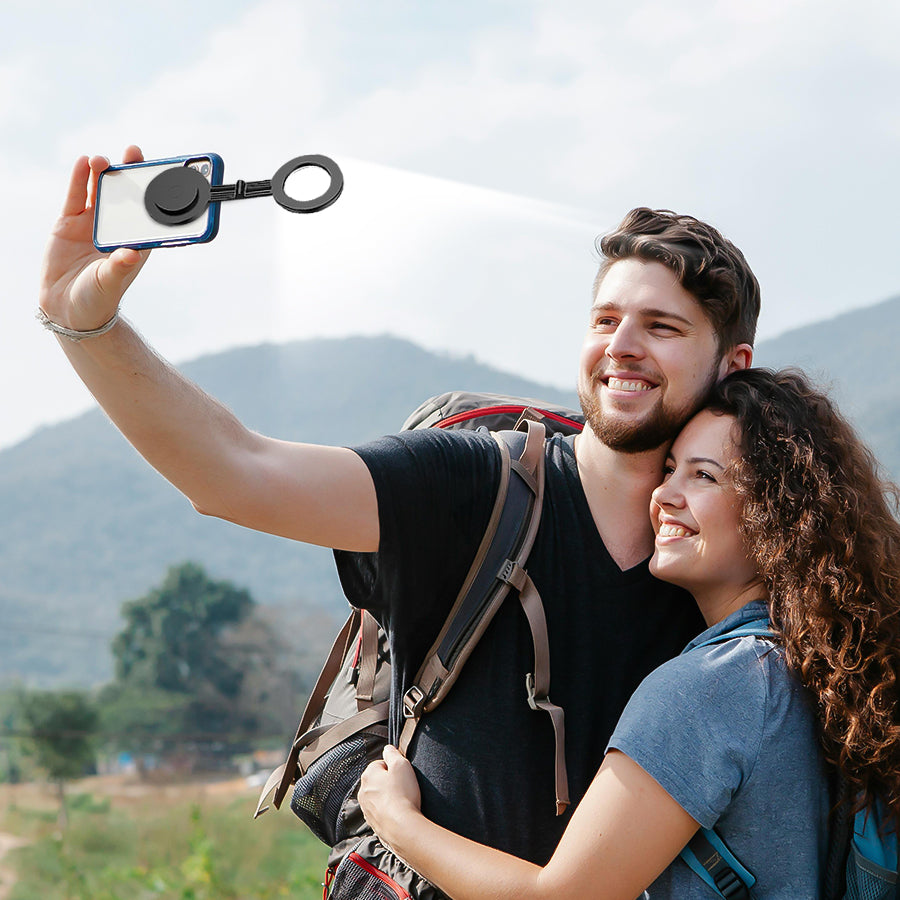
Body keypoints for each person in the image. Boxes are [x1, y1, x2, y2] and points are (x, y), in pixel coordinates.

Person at [37, 147, 759, 867]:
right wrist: (87, 326)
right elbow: (236, 472)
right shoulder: (479, 485)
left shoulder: (743, 556)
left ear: (734, 366)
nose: (622, 347)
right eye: (605, 321)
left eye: (662, 328)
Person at [358, 368, 900, 898]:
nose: (665, 495)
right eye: (669, 469)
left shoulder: (711, 688)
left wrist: (397, 820)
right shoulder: (821, 668)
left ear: (778, 516)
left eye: (703, 476)